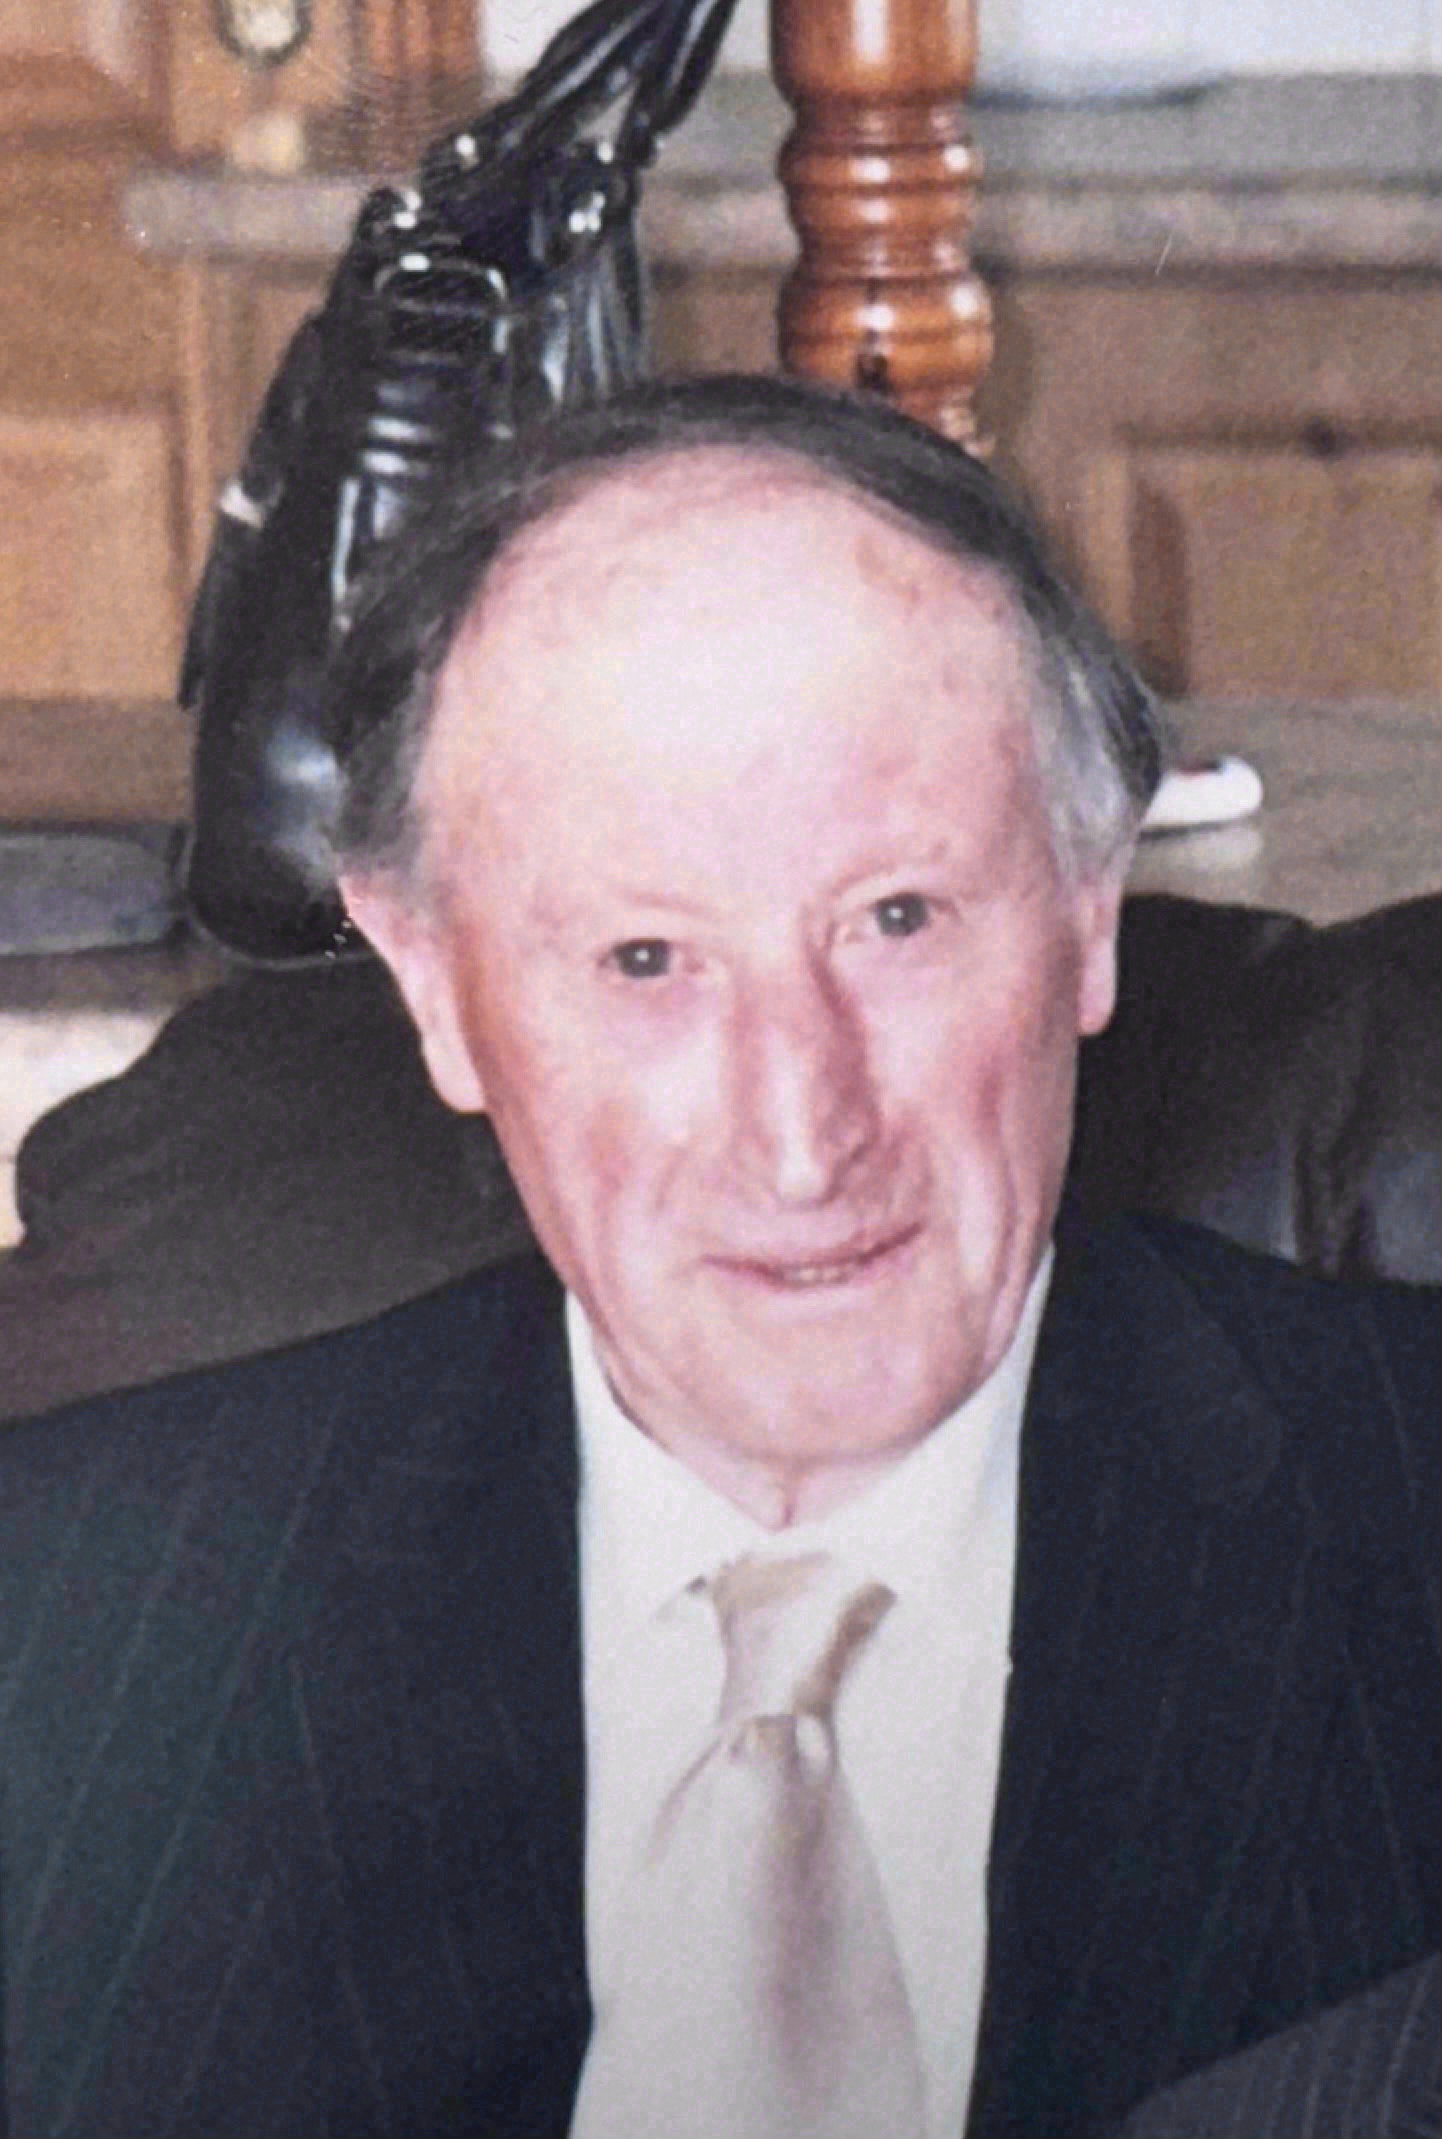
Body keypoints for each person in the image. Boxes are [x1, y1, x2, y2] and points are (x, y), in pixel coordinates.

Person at [0, 375, 1434, 2138]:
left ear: (1083, 909)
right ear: (432, 983)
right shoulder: (57, 1630)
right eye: (645, 962)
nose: (799, 1130)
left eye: (895, 919)